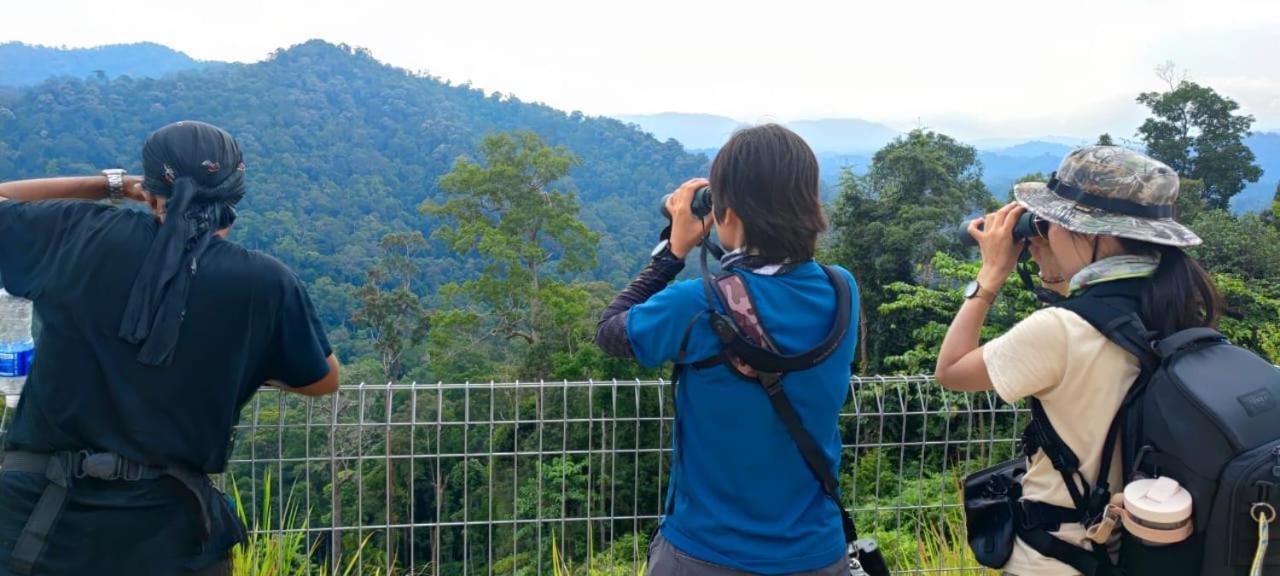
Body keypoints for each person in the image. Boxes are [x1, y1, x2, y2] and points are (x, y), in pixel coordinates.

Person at [0, 120, 340, 575]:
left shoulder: (78, 234)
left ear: (152, 189)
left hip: (34, 526)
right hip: (167, 537)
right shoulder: (265, 284)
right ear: (234, 195)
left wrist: (111, 186)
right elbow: (323, 380)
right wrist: (247, 360)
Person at [934, 146, 1220, 576]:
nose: (1046, 234)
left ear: (1094, 234)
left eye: (1054, 224)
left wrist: (989, 276)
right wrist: (1056, 267)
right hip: (1144, 549)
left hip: (1058, 557)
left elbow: (951, 370)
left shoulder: (1059, 331)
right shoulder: (1177, 305)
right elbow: (1100, 309)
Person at [595, 124, 860, 575]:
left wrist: (672, 253)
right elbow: (767, 283)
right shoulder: (842, 290)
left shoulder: (697, 303)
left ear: (728, 215)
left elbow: (610, 330)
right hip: (818, 553)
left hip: (706, 553)